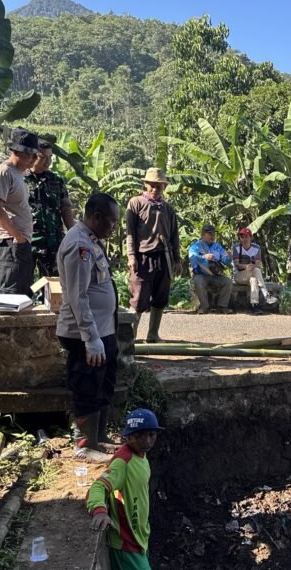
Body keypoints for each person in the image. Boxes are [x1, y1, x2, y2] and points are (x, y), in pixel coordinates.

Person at [56, 193, 121, 463]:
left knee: (103, 383)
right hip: (85, 334)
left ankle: (99, 437)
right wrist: (90, 338)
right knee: (87, 386)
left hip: (103, 330)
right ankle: (84, 445)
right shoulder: (79, 244)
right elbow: (77, 295)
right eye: (112, 221)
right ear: (96, 217)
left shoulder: (92, 241)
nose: (114, 227)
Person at [87, 407, 164, 570]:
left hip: (139, 538)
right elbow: (97, 487)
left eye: (151, 435)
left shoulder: (141, 457)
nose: (146, 441)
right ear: (128, 437)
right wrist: (100, 510)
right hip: (126, 542)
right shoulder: (123, 462)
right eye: (139, 436)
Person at [126, 168, 182, 342]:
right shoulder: (135, 203)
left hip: (163, 257)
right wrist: (131, 256)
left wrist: (177, 259)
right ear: (145, 184)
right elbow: (130, 233)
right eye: (152, 185)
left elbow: (174, 236)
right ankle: (130, 336)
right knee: (139, 297)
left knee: (160, 297)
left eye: (159, 186)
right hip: (142, 257)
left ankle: (153, 334)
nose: (155, 189)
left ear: (164, 187)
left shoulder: (168, 209)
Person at [0, 127, 40, 295]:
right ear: (18, 152)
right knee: (12, 294)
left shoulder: (19, 174)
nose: (35, 159)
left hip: (19, 242)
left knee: (23, 294)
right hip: (9, 242)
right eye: (31, 154)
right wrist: (17, 236)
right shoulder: (4, 172)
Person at [26, 140, 74, 278]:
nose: (48, 161)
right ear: (33, 156)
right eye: (44, 157)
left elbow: (65, 207)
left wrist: (73, 231)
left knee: (54, 283)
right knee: (23, 284)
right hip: (29, 240)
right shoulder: (21, 178)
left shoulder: (56, 180)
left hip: (53, 241)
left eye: (50, 157)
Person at [188, 224, 233, 314]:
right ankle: (204, 307)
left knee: (227, 281)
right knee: (198, 281)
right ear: (203, 234)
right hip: (201, 275)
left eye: (213, 234)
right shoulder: (195, 246)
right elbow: (192, 258)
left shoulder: (217, 246)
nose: (212, 236)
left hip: (214, 275)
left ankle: (222, 306)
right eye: (210, 234)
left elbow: (225, 261)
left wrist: (228, 257)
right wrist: (204, 257)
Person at [232, 227, 278, 316]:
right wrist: (246, 267)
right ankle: (266, 294)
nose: (244, 239)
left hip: (252, 273)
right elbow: (236, 264)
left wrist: (252, 267)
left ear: (251, 237)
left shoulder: (256, 248)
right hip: (239, 275)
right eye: (242, 236)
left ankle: (254, 305)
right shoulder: (236, 248)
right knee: (256, 271)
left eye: (246, 236)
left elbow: (257, 264)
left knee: (254, 279)